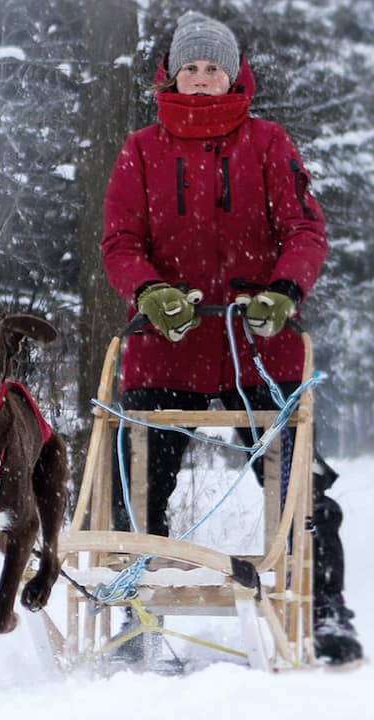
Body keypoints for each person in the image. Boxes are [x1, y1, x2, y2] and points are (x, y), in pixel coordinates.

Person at [100, 11, 362, 665]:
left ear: (234, 74)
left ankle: (325, 610)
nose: (200, 79)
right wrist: (148, 290)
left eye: (213, 67)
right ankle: (140, 615)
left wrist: (285, 290)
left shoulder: (270, 143)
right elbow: (120, 241)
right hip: (167, 345)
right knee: (137, 485)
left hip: (258, 348)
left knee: (301, 485)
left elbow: (306, 231)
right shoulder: (141, 149)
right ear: (171, 74)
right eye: (190, 67)